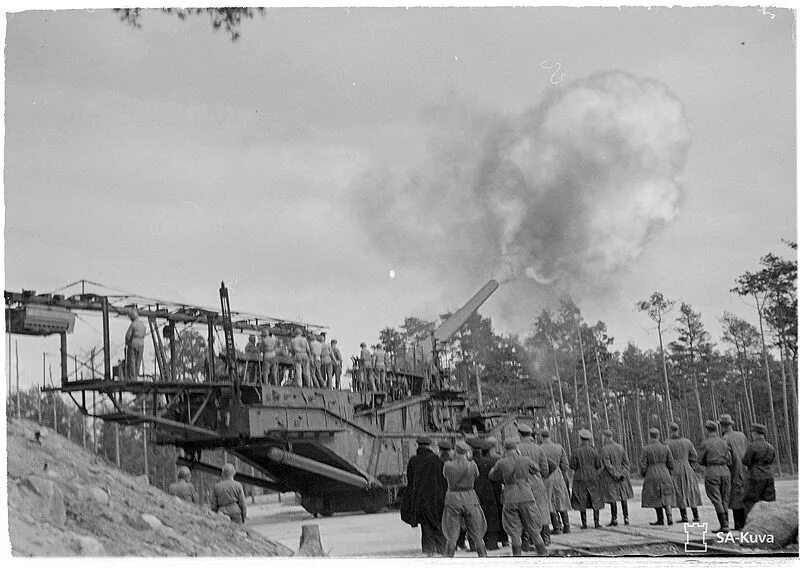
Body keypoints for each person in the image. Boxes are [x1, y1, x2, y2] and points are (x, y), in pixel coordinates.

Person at [489, 437, 547, 556]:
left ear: (505, 449)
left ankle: (517, 557)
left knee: (514, 531)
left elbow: (492, 476)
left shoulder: (502, 461)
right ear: (516, 448)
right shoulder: (525, 459)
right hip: (526, 495)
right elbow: (536, 469)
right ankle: (543, 554)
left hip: (510, 497)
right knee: (533, 528)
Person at [441, 441, 488, 557]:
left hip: (453, 498)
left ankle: (449, 559)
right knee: (477, 533)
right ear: (467, 452)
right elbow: (476, 475)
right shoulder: (472, 465)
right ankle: (483, 558)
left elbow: (445, 475)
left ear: (455, 451)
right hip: (470, 497)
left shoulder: (448, 464)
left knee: (451, 535)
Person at [404, 437, 447, 556]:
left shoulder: (413, 460)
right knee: (438, 523)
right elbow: (442, 479)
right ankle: (441, 549)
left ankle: (428, 551)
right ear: (429, 446)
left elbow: (410, 480)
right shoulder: (436, 460)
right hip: (436, 498)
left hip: (420, 498)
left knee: (425, 525)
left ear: (418, 446)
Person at [517, 423, 555, 546]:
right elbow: (545, 469)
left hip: (523, 484)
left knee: (525, 512)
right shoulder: (539, 448)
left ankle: (527, 540)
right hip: (538, 484)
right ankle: (546, 538)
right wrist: (541, 477)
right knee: (542, 509)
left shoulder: (517, 449)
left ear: (519, 434)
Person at [698, 419, 733, 533]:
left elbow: (700, 460)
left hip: (712, 471)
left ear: (707, 430)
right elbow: (730, 459)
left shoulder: (705, 443)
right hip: (725, 471)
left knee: (716, 499)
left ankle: (724, 525)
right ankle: (725, 524)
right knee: (724, 498)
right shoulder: (724, 442)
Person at [666, 422, 703, 523]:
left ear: (670, 431)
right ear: (678, 430)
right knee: (690, 491)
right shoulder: (687, 442)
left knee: (679, 492)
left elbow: (667, 459)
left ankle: (684, 516)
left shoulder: (668, 444)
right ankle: (696, 515)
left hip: (674, 469)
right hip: (687, 468)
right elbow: (694, 456)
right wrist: (692, 465)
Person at [468, 438, 501, 551]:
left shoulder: (469, 463)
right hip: (488, 493)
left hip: (473, 494)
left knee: (473, 520)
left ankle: (474, 545)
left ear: (471, 449)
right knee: (490, 518)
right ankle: (492, 544)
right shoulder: (490, 462)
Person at [639, 427, 676, 526]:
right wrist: (669, 472)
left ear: (650, 436)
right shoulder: (665, 447)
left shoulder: (646, 448)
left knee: (655, 496)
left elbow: (643, 464)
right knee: (666, 494)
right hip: (665, 472)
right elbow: (671, 463)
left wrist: (644, 474)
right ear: (658, 436)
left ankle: (660, 519)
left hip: (652, 473)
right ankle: (669, 516)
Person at [599, 429, 634, 526]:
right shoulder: (620, 447)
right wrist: (623, 473)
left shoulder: (604, 449)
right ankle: (626, 518)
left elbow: (607, 465)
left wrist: (616, 474)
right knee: (623, 497)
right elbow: (626, 463)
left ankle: (614, 519)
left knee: (612, 498)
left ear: (605, 437)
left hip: (611, 477)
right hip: (622, 477)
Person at [570, 428, 604, 529]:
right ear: (589, 440)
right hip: (593, 476)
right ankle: (596, 522)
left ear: (580, 439)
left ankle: (584, 523)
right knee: (595, 498)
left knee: (581, 499)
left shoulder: (576, 451)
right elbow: (599, 465)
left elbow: (572, 465)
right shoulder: (594, 451)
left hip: (580, 476)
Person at [720, 413, 749, 530]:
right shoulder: (742, 435)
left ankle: (738, 524)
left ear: (724, 426)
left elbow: (728, 458)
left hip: (733, 470)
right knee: (743, 494)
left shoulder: (725, 439)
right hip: (745, 469)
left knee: (734, 496)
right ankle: (744, 523)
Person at [539, 428, 571, 534]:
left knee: (549, 500)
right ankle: (567, 526)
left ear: (541, 437)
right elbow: (565, 465)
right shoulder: (559, 447)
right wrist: (561, 472)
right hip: (558, 474)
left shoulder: (540, 448)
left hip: (547, 476)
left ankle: (557, 527)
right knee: (560, 499)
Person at [741, 423, 776, 518]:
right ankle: (768, 522)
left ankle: (751, 523)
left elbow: (745, 460)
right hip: (768, 475)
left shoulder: (752, 446)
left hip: (754, 475)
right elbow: (772, 460)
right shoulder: (770, 447)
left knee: (750, 500)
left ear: (755, 433)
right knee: (768, 502)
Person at [124, 308, 146, 379]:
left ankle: (133, 377)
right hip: (141, 343)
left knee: (132, 360)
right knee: (138, 361)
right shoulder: (142, 325)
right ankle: (136, 375)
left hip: (134, 342)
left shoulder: (133, 325)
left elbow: (128, 336)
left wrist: (127, 342)